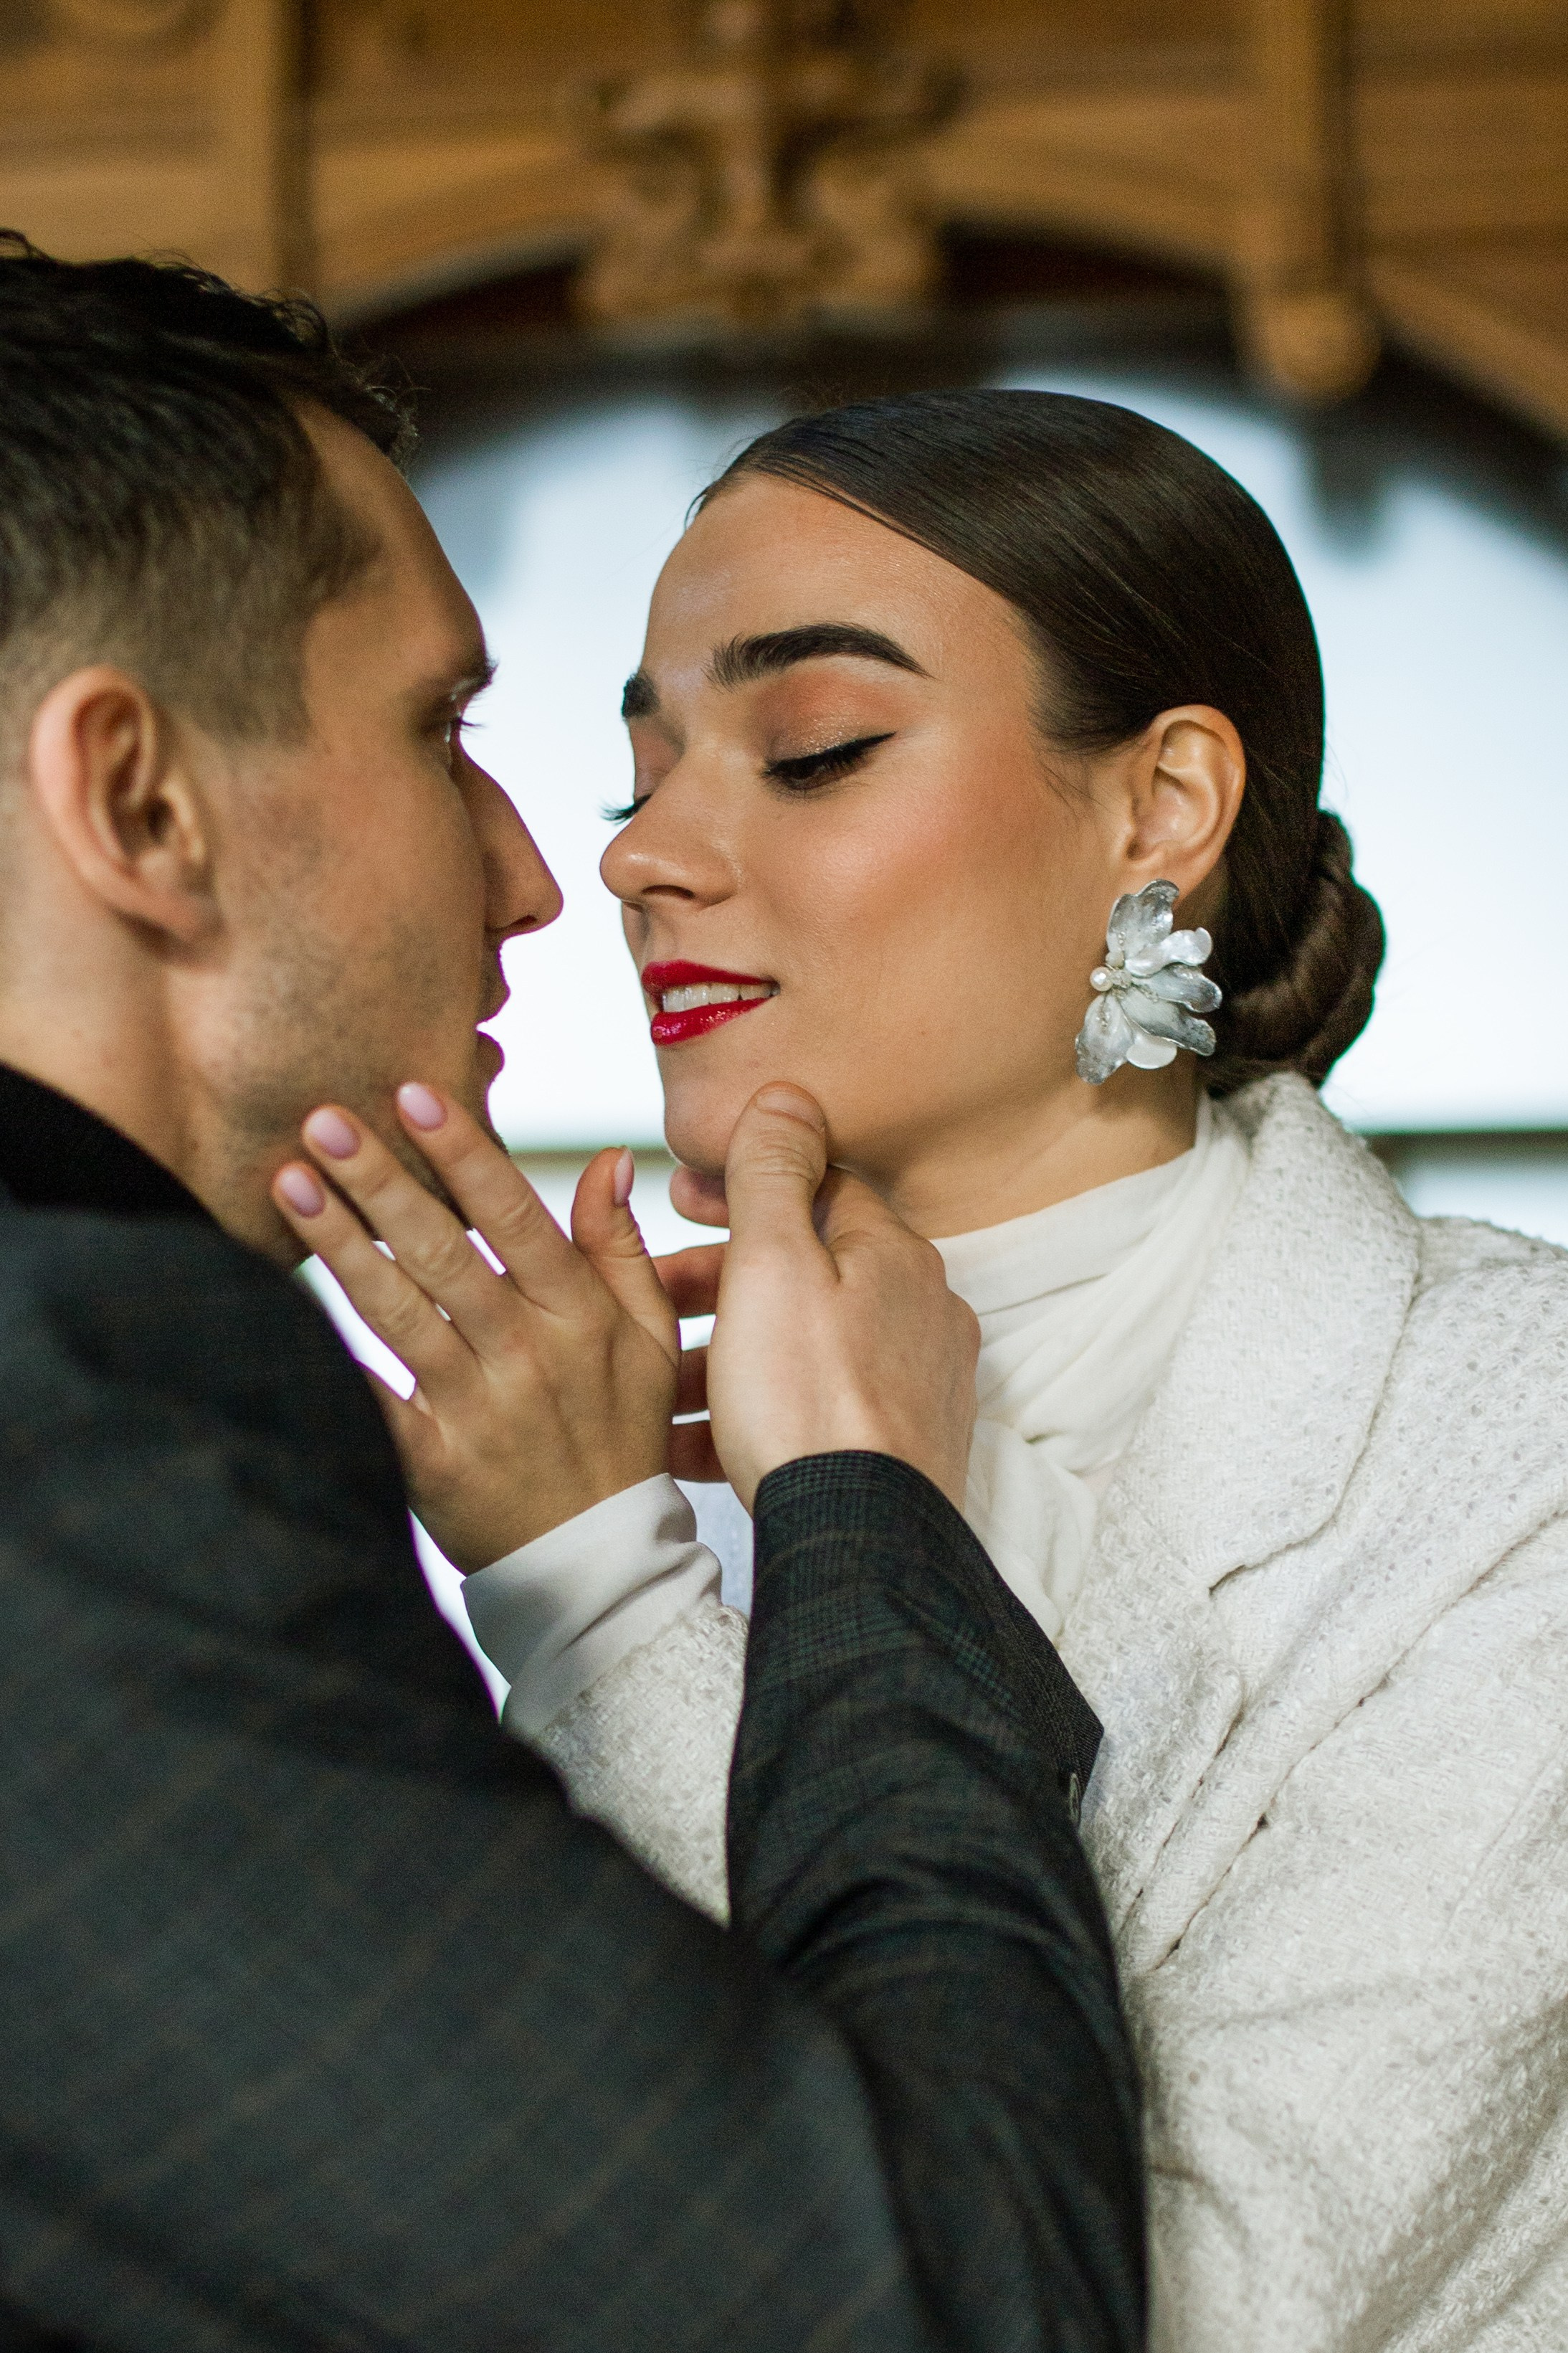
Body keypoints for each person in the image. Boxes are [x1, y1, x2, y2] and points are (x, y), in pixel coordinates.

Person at [323, 390, 1568, 2351]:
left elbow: (1156, 2311)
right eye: (631, 772)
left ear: (1160, 806)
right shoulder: (595, 1436)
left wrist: (605, 1601)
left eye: (809, 748)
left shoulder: (1521, 1435)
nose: (642, 855)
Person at [0, 247, 1148, 2349]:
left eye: (811, 746)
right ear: (138, 803)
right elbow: (946, 2311)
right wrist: (873, 1521)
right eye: (445, 729)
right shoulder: (55, 1436)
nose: (561, 873)